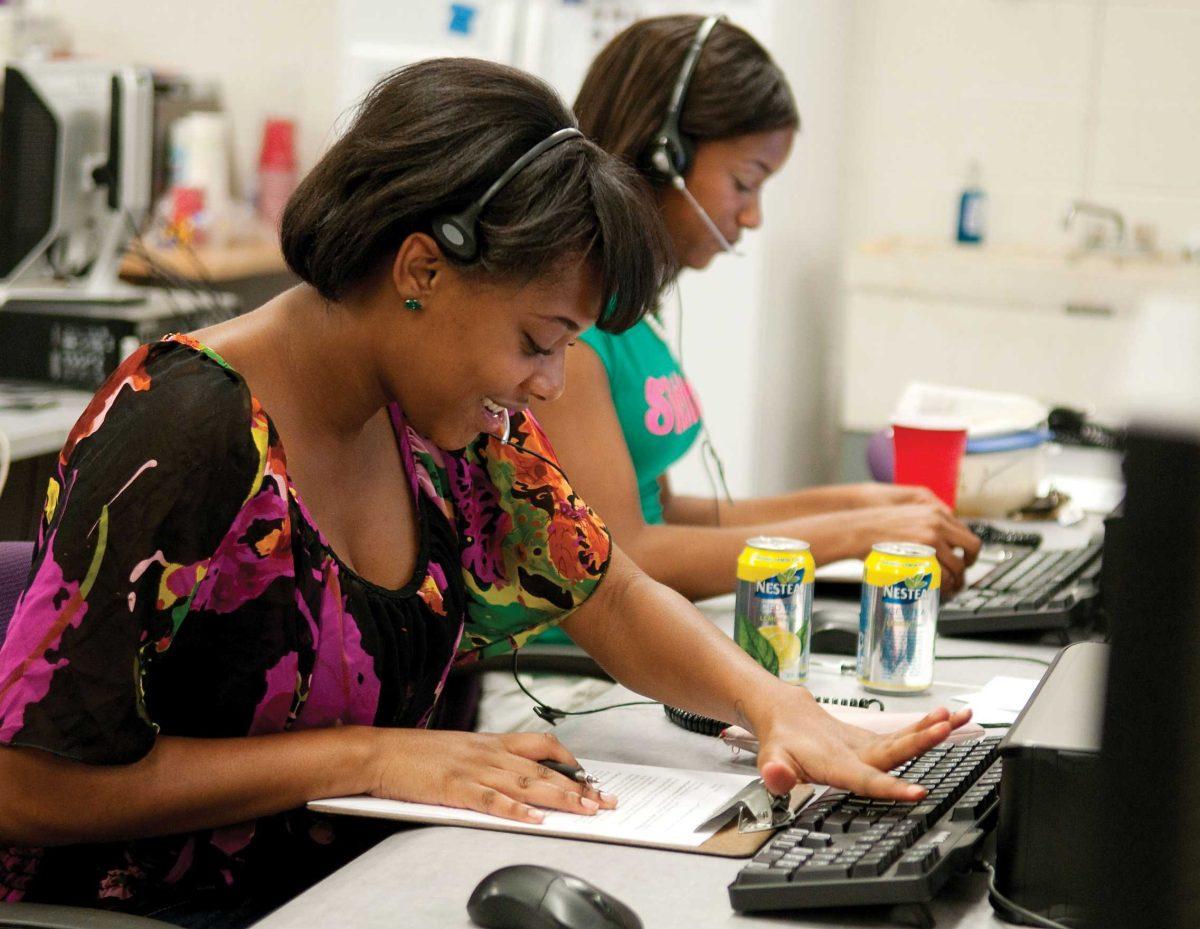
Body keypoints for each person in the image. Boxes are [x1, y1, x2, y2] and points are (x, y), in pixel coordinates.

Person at [0, 58, 968, 925]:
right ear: (422, 267)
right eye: (537, 341)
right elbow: (29, 784)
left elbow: (611, 590)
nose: (548, 382)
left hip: (360, 881)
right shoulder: (184, 428)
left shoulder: (455, 425)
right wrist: (367, 753)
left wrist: (775, 707)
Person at [532, 15, 982, 603]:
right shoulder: (576, 327)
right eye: (746, 182)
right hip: (567, 676)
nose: (752, 217)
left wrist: (859, 504)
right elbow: (625, 555)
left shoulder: (631, 308)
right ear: (665, 154)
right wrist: (856, 532)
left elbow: (662, 512)